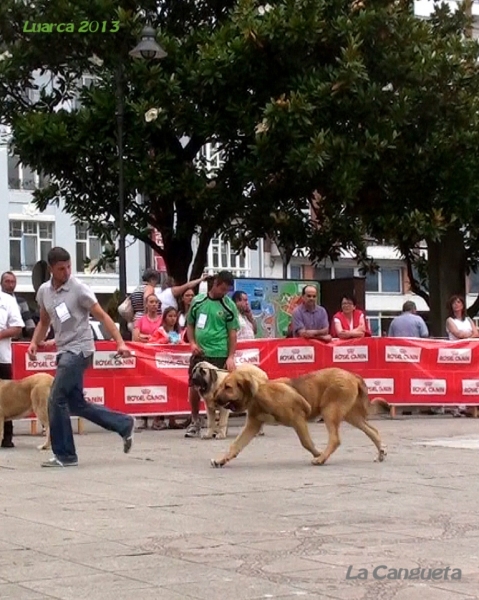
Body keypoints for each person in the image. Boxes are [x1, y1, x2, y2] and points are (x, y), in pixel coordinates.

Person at [28, 247, 135, 467]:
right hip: (63, 350)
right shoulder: (44, 292)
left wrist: (120, 342)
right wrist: (34, 342)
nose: (66, 272)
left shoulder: (79, 289)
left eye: (69, 267)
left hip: (80, 350)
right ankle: (124, 424)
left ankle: (65, 455)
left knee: (55, 398)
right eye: (61, 268)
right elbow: (44, 321)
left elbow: (103, 316)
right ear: (51, 269)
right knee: (76, 404)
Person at [185, 270, 240, 438]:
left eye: (227, 290)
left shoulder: (229, 306)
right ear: (215, 284)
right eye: (222, 289)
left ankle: (219, 426)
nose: (224, 293)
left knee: (221, 391)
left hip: (220, 353)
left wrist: (230, 357)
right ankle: (195, 420)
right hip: (201, 354)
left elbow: (232, 333)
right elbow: (190, 324)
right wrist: (192, 343)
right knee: (195, 387)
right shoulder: (197, 301)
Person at [0, 290, 25, 448]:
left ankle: (6, 438)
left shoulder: (7, 300)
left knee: (6, 398)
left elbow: (18, 327)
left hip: (2, 357)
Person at [1, 271, 36, 339]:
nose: (10, 285)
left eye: (13, 282)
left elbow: (29, 324)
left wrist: (37, 338)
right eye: (7, 281)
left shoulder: (20, 302)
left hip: (16, 342)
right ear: (1, 283)